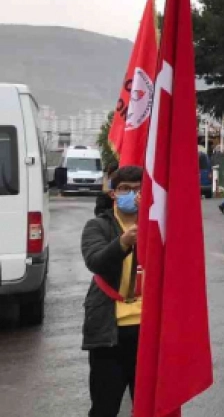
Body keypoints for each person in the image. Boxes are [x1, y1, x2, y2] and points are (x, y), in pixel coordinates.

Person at [81, 165, 144, 417]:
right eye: (125, 189)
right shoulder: (97, 226)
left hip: (147, 329)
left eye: (138, 190)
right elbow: (95, 260)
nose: (132, 194)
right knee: (105, 406)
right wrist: (123, 242)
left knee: (149, 407)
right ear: (113, 194)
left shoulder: (155, 224)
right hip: (109, 332)